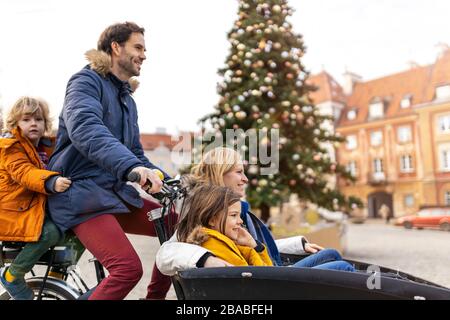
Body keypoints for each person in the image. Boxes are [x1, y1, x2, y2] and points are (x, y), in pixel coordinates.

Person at [47, 22, 175, 300]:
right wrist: (132, 168)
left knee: (176, 225)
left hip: (112, 193)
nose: (144, 55)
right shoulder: (85, 82)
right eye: (138, 47)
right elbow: (86, 129)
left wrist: (165, 177)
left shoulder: (127, 100)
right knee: (127, 269)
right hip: (80, 195)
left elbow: (136, 153)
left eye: (144, 49)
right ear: (116, 47)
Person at [156, 147, 355, 275]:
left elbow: (252, 243)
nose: (245, 179)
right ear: (220, 173)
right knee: (343, 268)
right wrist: (206, 259)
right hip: (268, 278)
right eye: (239, 172)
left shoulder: (230, 208)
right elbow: (166, 253)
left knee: (331, 254)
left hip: (269, 269)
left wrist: (297, 244)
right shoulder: (207, 210)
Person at [178, 184, 354, 272]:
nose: (239, 221)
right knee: (343, 268)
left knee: (332, 255)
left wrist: (255, 246)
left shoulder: (221, 238)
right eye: (233, 216)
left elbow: (265, 271)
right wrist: (255, 247)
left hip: (274, 280)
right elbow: (263, 275)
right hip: (275, 288)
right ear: (212, 219)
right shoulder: (215, 243)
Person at [0, 97, 72, 299]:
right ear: (15, 124)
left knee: (77, 222)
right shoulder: (10, 147)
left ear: (45, 124)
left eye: (38, 119)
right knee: (50, 232)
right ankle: (13, 274)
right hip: (12, 212)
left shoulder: (44, 146)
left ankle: (57, 273)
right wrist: (51, 181)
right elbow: (24, 173)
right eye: (26, 119)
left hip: (31, 207)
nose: (33, 123)